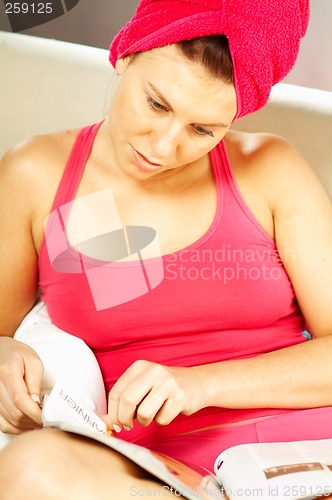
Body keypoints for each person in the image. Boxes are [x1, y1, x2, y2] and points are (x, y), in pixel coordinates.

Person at [1, 0, 332, 498]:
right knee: (31, 468)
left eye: (203, 130)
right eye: (157, 104)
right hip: (161, 474)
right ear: (126, 53)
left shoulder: (269, 169)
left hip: (307, 450)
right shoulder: (35, 176)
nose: (162, 147)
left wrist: (201, 384)